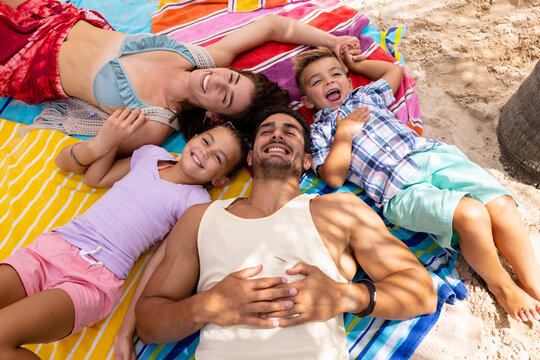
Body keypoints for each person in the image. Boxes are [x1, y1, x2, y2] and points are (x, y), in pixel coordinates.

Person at [133, 106, 437, 360]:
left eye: (290, 132)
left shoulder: (341, 209)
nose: (277, 134)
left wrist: (345, 296)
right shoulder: (200, 218)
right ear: (250, 159)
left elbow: (421, 293)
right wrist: (206, 305)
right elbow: (148, 322)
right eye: (267, 131)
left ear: (307, 160)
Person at [293, 46, 540, 322]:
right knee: (471, 214)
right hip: (397, 189)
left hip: (431, 157)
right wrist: (344, 134)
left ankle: (532, 283)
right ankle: (503, 287)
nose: (328, 81)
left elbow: (393, 71)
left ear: (349, 82)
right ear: (308, 101)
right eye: (317, 81)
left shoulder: (365, 96)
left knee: (501, 203)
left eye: (335, 74)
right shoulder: (318, 131)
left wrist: (355, 63)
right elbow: (333, 176)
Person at [0, 107, 248, 359]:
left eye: (218, 158)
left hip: (94, 280)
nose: (205, 152)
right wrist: (113, 139)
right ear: (194, 137)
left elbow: (157, 265)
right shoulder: (151, 154)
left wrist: (124, 333)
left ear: (220, 181)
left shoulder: (195, 204)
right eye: (206, 141)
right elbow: (96, 178)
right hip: (53, 249)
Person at [1, 0, 359, 154]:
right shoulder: (204, 58)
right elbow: (272, 25)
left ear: (215, 115)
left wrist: (103, 144)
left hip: (26, 62)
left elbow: (87, 155)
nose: (216, 81)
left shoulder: (152, 124)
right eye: (230, 79)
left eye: (225, 96)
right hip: (53, 16)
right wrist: (332, 40)